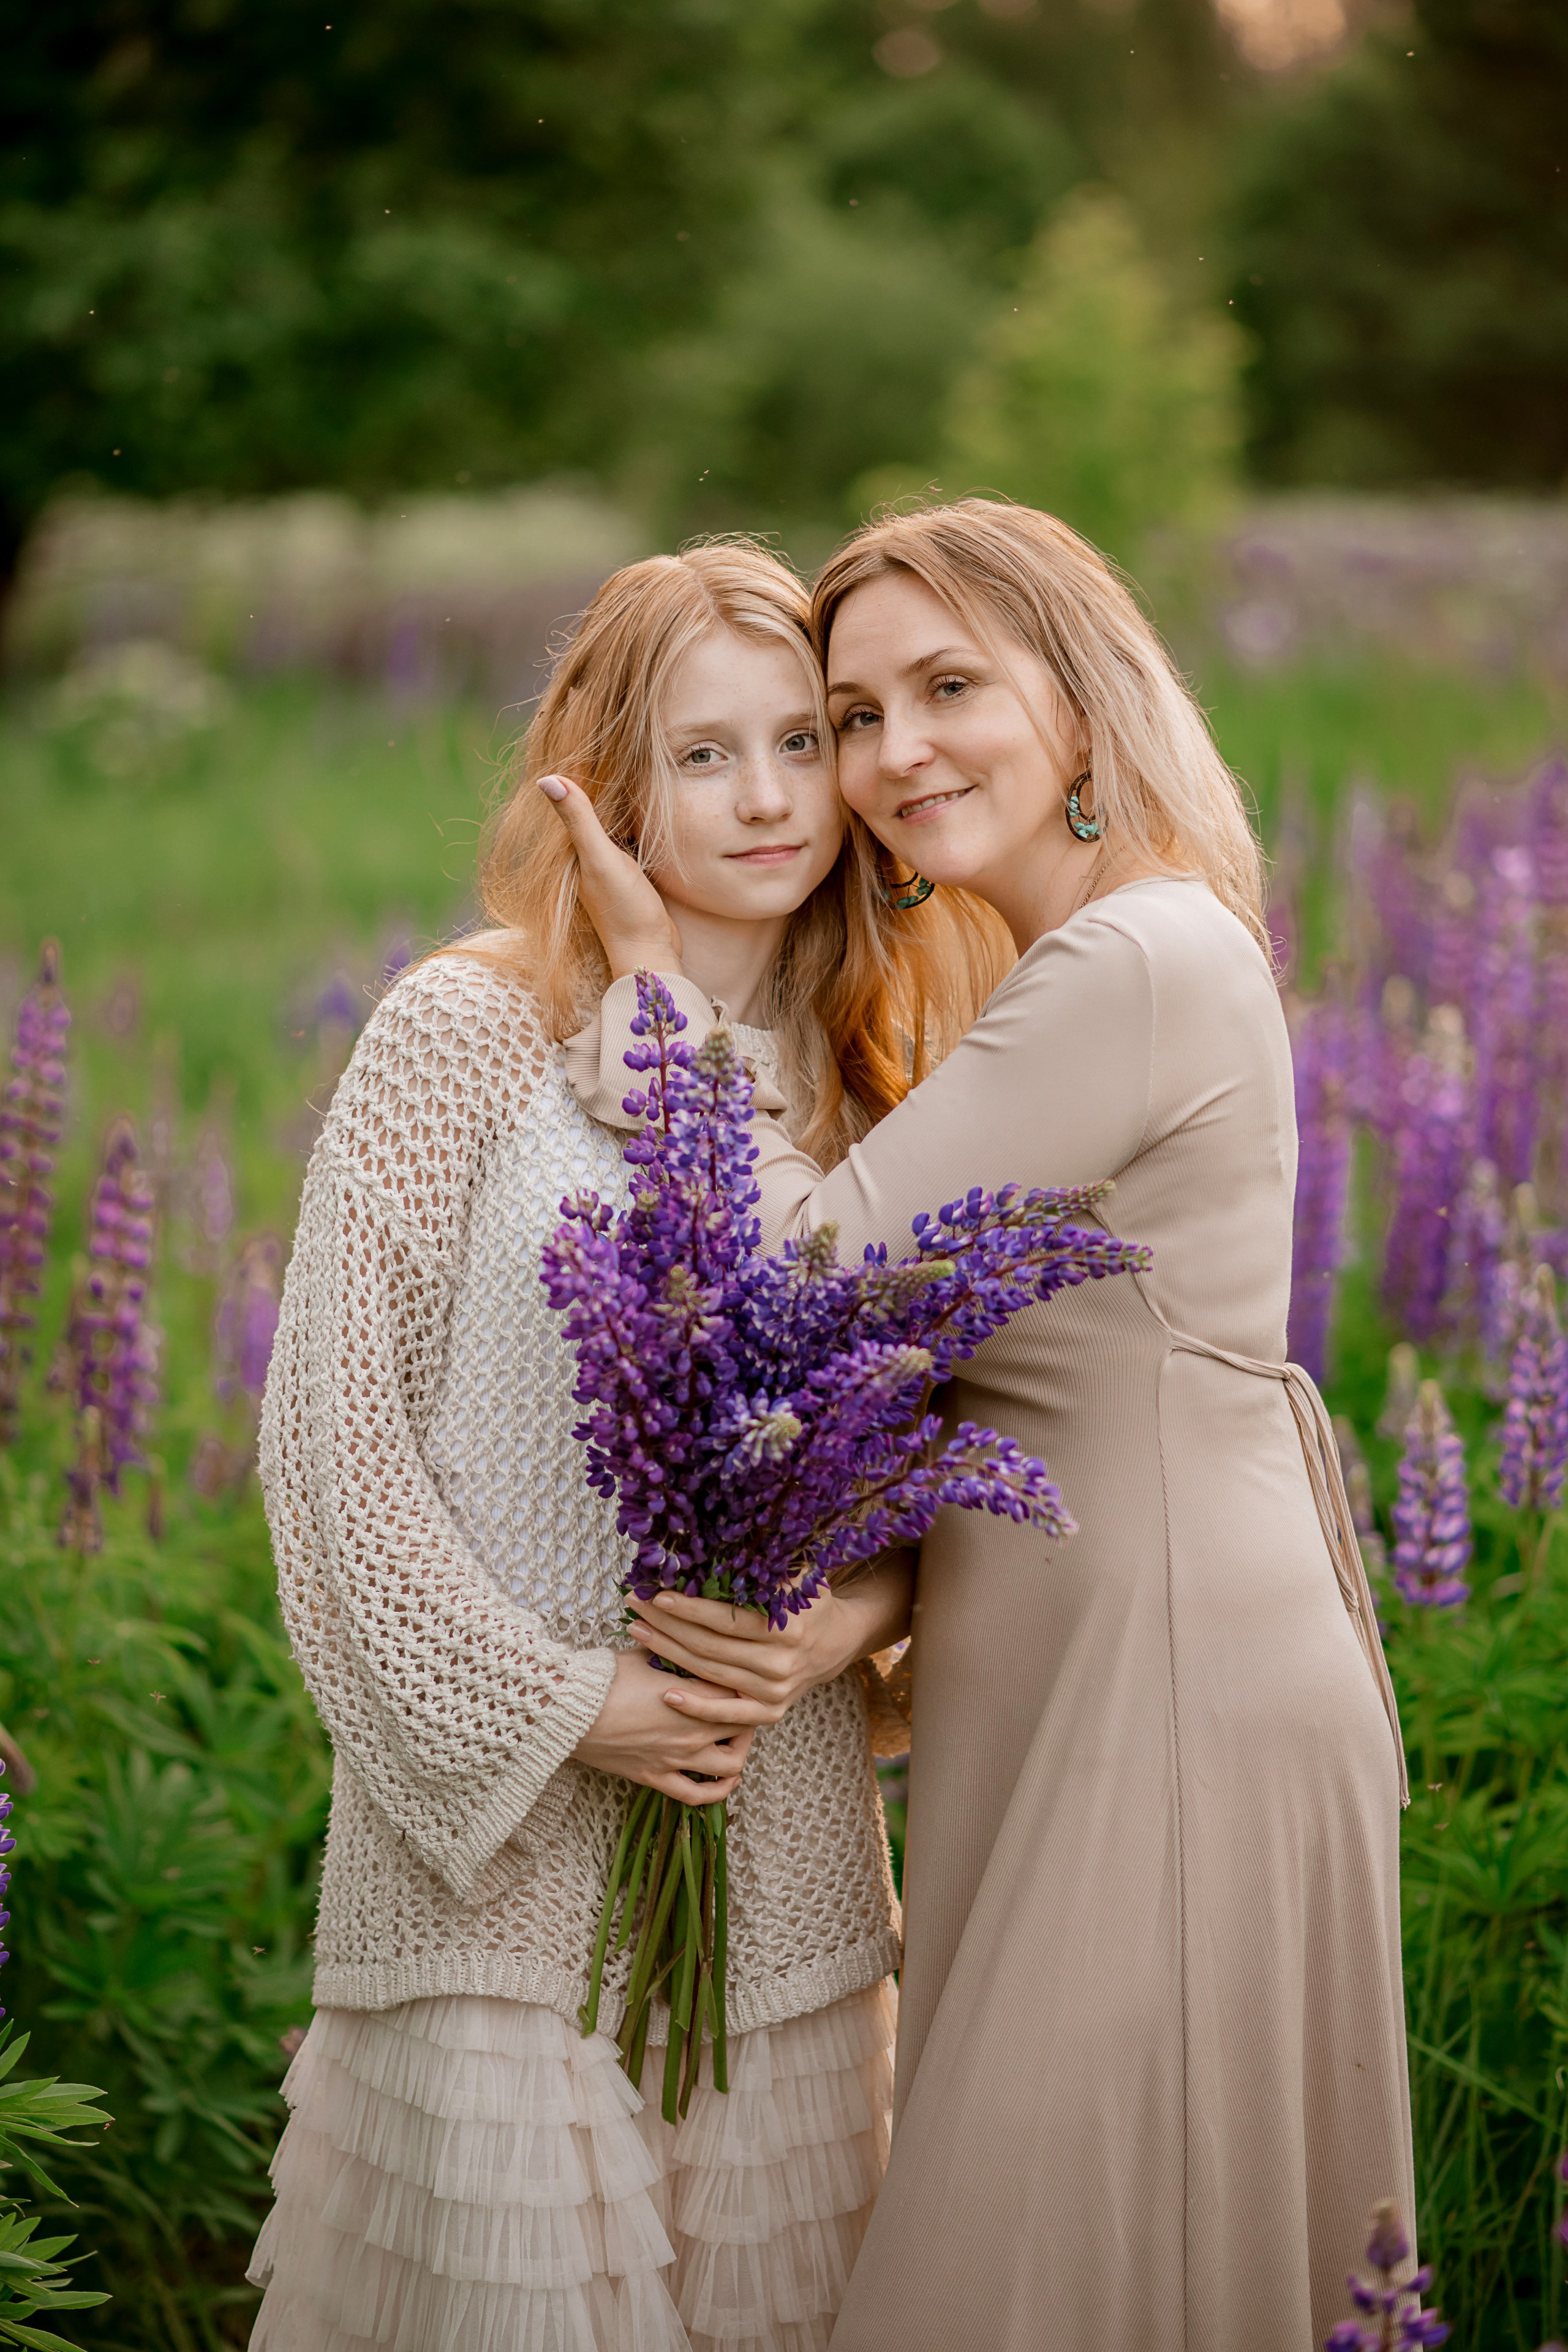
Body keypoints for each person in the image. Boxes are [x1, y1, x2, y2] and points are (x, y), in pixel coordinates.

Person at [544, 498, 1415, 2352]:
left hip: (1162, 1688)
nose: (889, 753)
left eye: (949, 687)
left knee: (1007, 2277)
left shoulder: (1133, 962)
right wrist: (855, 1606)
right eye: (856, 713)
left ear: (1082, 703)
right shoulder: (1094, 960)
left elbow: (793, 1277)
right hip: (1103, 1668)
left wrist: (652, 975)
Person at [247, 540, 1006, 2352]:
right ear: (606, 785)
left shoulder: (879, 1073)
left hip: (789, 1885)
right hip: (492, 1899)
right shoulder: (464, 1032)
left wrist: (837, 1628)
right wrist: (575, 1707)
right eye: (701, 754)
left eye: (800, 743)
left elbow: (921, 1475)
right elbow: (333, 1453)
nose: (765, 797)